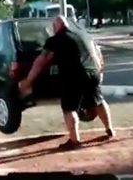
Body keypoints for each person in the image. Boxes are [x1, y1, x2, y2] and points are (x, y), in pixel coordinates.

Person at [18, 15, 116, 149]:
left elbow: (41, 60)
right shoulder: (83, 35)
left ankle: (74, 141)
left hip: (74, 76)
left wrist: (29, 80)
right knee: (98, 101)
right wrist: (100, 71)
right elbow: (97, 54)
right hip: (93, 72)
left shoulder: (56, 39)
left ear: (56, 26)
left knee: (69, 108)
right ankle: (109, 129)